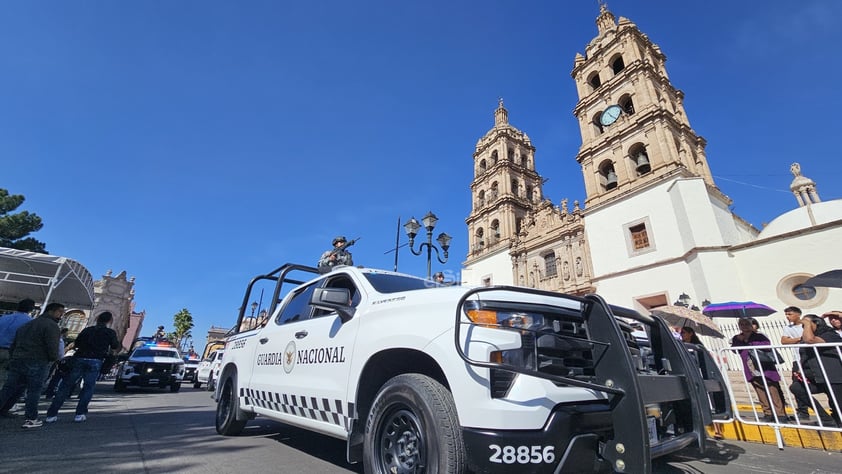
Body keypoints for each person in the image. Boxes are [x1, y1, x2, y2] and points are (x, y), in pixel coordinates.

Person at [46, 311, 121, 423]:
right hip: (96, 360)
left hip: (79, 358)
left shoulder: (87, 330)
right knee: (88, 387)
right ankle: (79, 414)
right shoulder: (109, 332)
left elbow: (77, 343)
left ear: (97, 319)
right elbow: (115, 346)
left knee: (65, 386)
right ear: (109, 321)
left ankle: (51, 415)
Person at [0, 302, 65, 428]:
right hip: (37, 361)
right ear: (51, 311)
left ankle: (4, 408)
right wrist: (53, 359)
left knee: (9, 388)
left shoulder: (28, 324)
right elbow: (52, 346)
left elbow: (15, 342)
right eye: (59, 312)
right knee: (34, 391)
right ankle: (31, 418)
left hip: (18, 359)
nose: (61, 315)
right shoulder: (51, 326)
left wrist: (14, 356)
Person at [731, 316, 788, 422]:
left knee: (773, 389)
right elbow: (735, 350)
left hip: (764, 366)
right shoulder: (737, 338)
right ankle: (768, 413)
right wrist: (739, 341)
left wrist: (749, 342)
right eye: (742, 324)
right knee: (759, 390)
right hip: (750, 366)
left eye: (746, 324)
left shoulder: (759, 336)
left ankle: (780, 413)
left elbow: (766, 345)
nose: (744, 327)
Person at [799, 313, 842, 427]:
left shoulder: (829, 334)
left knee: (837, 403)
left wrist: (807, 323)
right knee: (797, 388)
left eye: (806, 324)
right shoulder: (805, 337)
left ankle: (838, 420)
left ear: (817, 323)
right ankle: (826, 419)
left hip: (834, 376)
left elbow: (811, 340)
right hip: (817, 375)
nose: (804, 327)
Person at [780, 306, 814, 420]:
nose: (787, 317)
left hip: (811, 358)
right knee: (796, 385)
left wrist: (798, 339)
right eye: (786, 314)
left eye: (790, 314)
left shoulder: (807, 325)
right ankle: (803, 411)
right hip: (797, 359)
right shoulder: (788, 328)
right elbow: (784, 341)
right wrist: (800, 339)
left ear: (798, 314)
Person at [0, 298, 36, 390]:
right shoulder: (30, 322)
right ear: (31, 309)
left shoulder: (4, 318)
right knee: (3, 377)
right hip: (11, 351)